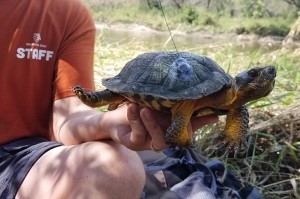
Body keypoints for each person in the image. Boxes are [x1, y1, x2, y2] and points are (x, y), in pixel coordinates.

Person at [0, 0, 218, 199]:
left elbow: (67, 119)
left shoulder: (66, 12)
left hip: (21, 156)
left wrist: (113, 122)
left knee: (117, 168)